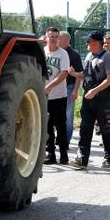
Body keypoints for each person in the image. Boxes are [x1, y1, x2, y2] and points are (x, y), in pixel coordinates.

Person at [69, 32, 110, 170]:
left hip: (104, 100)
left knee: (106, 129)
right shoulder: (89, 56)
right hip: (88, 99)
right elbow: (86, 74)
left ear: (96, 43)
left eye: (88, 41)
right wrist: (74, 74)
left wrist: (95, 91)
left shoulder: (108, 57)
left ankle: (109, 157)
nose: (87, 44)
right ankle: (82, 159)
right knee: (85, 128)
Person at [42, 28, 70, 164]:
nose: (53, 38)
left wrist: (49, 86)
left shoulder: (63, 54)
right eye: (50, 36)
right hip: (45, 96)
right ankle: (50, 154)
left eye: (55, 36)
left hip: (59, 96)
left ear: (59, 38)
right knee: (47, 126)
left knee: (60, 125)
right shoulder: (42, 52)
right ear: (46, 37)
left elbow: (64, 73)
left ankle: (63, 154)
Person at [59, 32, 84, 145]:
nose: (57, 41)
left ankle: (66, 141)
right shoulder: (56, 52)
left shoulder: (74, 55)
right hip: (56, 88)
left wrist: (75, 90)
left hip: (69, 88)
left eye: (60, 39)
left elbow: (79, 74)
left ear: (67, 41)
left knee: (68, 116)